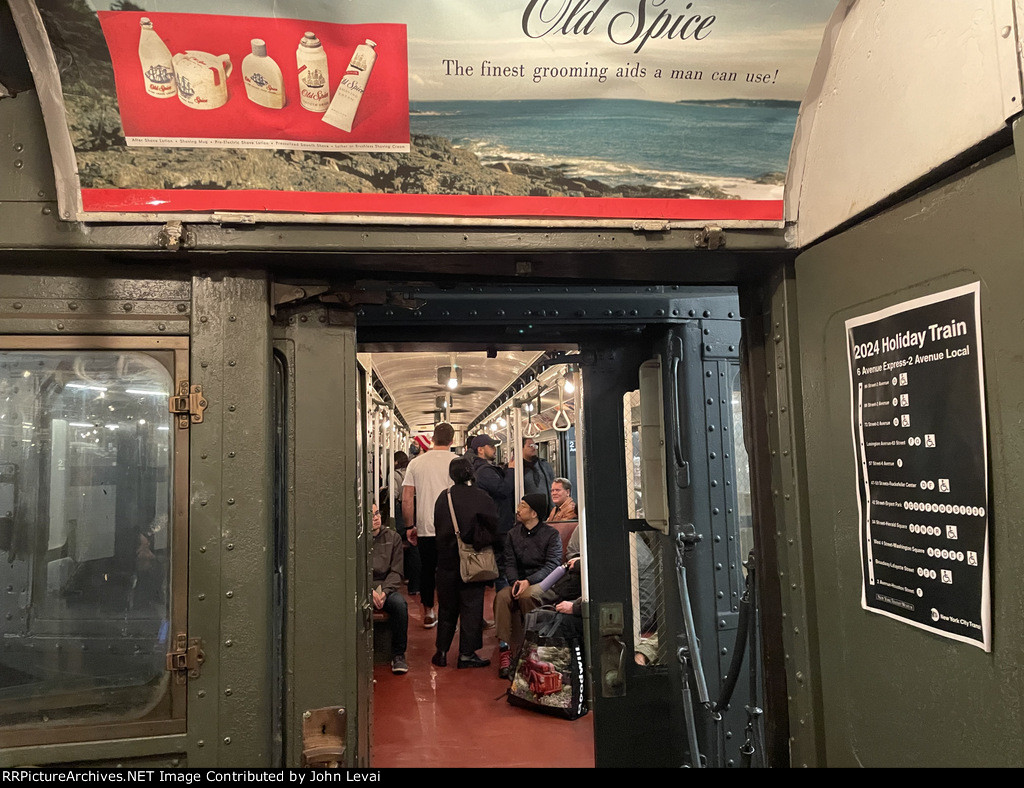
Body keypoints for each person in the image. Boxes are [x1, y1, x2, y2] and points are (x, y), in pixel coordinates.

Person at [431, 456, 499, 669]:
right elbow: (491, 529)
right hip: (472, 560)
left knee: (447, 608)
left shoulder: (444, 497)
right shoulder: (482, 497)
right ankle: (466, 654)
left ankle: (441, 652)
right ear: (471, 473)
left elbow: (437, 525)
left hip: (446, 561)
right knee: (471, 607)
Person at [493, 493, 562, 678]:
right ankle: (504, 650)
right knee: (502, 596)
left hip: (543, 583)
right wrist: (515, 581)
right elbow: (509, 562)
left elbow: (552, 565)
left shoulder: (551, 535)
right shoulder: (513, 534)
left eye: (522, 506)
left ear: (534, 513)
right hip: (519, 580)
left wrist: (529, 582)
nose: (518, 509)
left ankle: (531, 647)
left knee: (527, 595)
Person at [402, 422, 456, 629]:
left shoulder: (416, 463)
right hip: (451, 528)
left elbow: (407, 498)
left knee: (427, 569)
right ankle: (448, 613)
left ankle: (428, 611)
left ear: (432, 439)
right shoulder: (457, 462)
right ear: (452, 441)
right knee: (449, 571)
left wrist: (409, 526)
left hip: (425, 526)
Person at [467, 434, 515, 589]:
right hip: (499, 524)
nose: (495, 449)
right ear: (481, 450)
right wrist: (511, 471)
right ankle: (504, 607)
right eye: (491, 446)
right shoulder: (485, 471)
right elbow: (503, 490)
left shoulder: (482, 468)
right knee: (502, 569)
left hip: (496, 522)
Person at [370, 503, 409, 675]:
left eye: (377, 513)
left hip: (386, 587)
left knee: (400, 605)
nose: (376, 517)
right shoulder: (357, 541)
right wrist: (368, 592)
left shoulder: (393, 538)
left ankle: (398, 655)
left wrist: (384, 592)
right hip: (365, 588)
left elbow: (396, 571)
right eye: (371, 515)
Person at [391, 451, 420, 595]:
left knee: (408, 542)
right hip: (416, 508)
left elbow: (395, 494)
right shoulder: (412, 472)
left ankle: (409, 578)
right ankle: (413, 581)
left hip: (401, 509)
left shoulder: (395, 475)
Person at [521, 437, 555, 513]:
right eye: (530, 446)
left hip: (547, 510)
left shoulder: (544, 465)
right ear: (521, 448)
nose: (534, 448)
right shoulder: (517, 468)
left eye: (535, 446)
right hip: (528, 511)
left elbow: (552, 484)